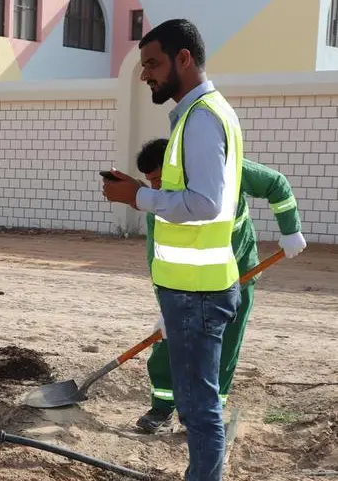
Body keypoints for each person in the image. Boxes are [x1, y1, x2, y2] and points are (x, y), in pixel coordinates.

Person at [101, 19, 244, 481]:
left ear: (184, 59)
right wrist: (141, 190)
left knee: (199, 410)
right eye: (143, 66)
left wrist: (139, 198)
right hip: (194, 289)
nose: (145, 75)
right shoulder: (200, 115)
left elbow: (205, 203)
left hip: (198, 293)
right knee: (195, 405)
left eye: (153, 64)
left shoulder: (202, 118)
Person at [133, 138, 307, 433]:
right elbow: (157, 263)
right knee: (169, 345)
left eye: (160, 178)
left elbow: (276, 184)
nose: (156, 188)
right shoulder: (160, 207)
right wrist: (165, 310)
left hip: (237, 277)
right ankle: (161, 408)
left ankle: (208, 415)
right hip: (189, 284)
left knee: (224, 349)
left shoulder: (225, 170)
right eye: (150, 182)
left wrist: (290, 230)